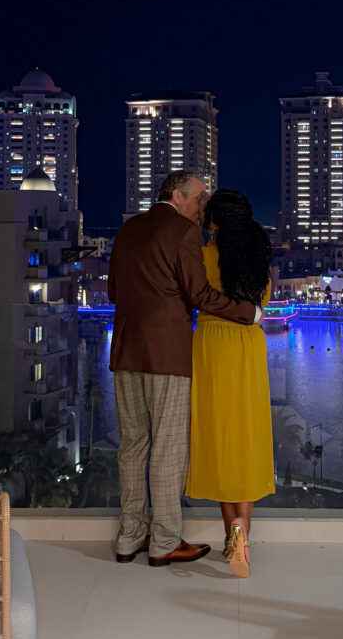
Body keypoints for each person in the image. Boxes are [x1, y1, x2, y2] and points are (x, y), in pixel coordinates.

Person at [107, 170, 263, 567]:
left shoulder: (128, 230)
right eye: (197, 200)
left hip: (125, 352)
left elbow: (113, 291)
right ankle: (163, 542)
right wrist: (248, 313)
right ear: (177, 196)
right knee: (168, 449)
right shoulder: (182, 232)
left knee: (132, 446)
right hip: (168, 355)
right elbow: (199, 294)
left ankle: (129, 538)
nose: (201, 209)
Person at [185, 188, 274, 578]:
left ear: (215, 222)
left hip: (210, 346)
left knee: (220, 435)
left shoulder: (203, 256)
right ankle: (243, 528)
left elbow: (192, 296)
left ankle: (231, 531)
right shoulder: (258, 260)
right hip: (249, 346)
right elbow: (264, 303)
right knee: (247, 434)